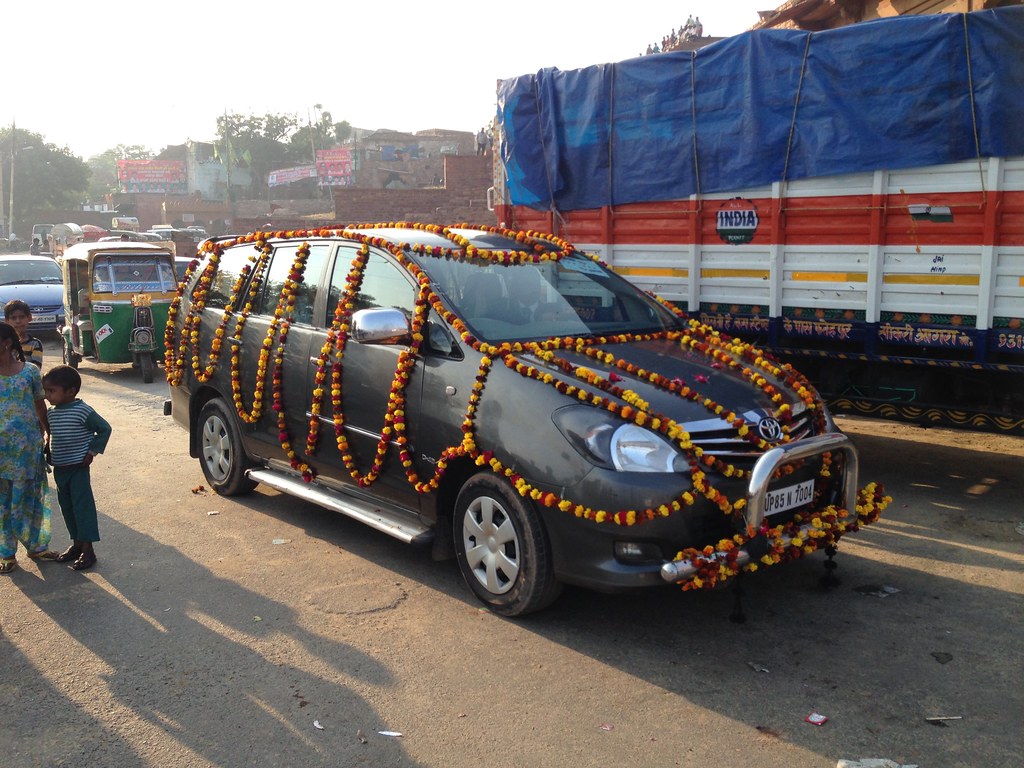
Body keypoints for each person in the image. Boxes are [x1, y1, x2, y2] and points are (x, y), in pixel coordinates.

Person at [42, 364, 112, 571]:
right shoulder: (51, 413)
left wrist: (91, 452)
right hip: (60, 468)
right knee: (67, 507)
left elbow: (104, 429)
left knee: (82, 507)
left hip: (78, 468)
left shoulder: (82, 411)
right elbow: (51, 435)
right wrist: (48, 450)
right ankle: (77, 544)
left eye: (51, 391)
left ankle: (88, 549)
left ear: (70, 391)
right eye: (46, 391)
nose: (47, 395)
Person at [0, 321, 53, 574]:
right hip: (1, 450)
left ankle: (36, 546)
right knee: (3, 500)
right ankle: (6, 554)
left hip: (28, 447)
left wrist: (49, 433)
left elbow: (40, 405)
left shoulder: (29, 372)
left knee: (31, 497)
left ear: (7, 342)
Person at [4, 299, 43, 369]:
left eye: (22, 317)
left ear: (29, 318)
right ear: (7, 321)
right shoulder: (3, 343)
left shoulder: (35, 344)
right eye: (13, 318)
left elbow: (35, 370)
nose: (18, 321)